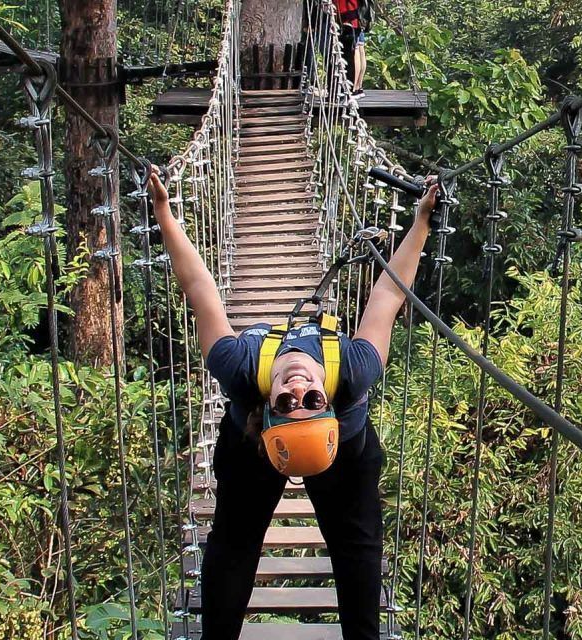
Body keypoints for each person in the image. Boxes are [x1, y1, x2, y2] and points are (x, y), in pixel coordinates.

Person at [147, 165, 438, 640]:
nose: (296, 387)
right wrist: (421, 221)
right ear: (329, 404)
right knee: (337, 547)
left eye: (286, 400)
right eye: (311, 399)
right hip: (333, 446)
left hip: (260, 447)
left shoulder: (238, 368)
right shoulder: (355, 368)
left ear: (267, 409)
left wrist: (163, 212)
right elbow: (388, 293)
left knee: (330, 551)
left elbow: (199, 288)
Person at [335, 0, 368, 97]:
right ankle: (358, 86)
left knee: (356, 50)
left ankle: (353, 88)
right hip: (357, 17)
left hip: (349, 19)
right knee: (360, 49)